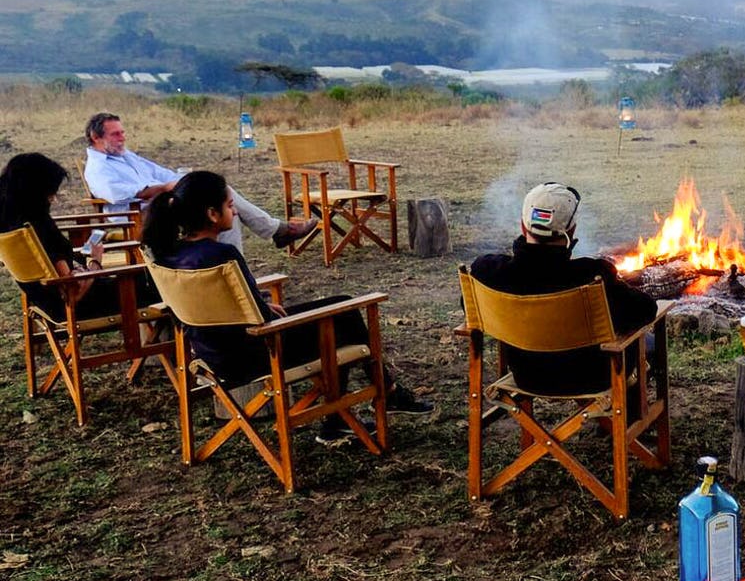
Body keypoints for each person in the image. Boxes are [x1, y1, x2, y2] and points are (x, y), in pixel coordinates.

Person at [141, 170, 431, 443]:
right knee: (341, 314)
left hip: (213, 354)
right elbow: (255, 314)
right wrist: (265, 310)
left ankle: (346, 416)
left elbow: (232, 304)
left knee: (338, 309)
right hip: (259, 353)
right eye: (231, 206)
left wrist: (264, 307)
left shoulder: (166, 255)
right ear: (212, 214)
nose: (236, 211)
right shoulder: (222, 254)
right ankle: (371, 401)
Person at [468, 182, 656, 393]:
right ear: (572, 230)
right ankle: (620, 422)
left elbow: (470, 308)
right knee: (647, 342)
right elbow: (645, 310)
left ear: (523, 226)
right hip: (593, 377)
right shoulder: (591, 276)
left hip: (527, 375)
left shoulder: (487, 272)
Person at [83, 111, 316, 255]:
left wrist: (187, 180)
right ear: (97, 138)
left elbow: (161, 173)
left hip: (166, 203)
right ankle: (273, 235)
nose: (122, 137)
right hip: (142, 216)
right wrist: (165, 188)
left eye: (122, 132)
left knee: (223, 202)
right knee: (221, 201)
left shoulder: (126, 156)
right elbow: (125, 194)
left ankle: (247, 265)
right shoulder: (98, 168)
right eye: (115, 134)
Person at [0, 152, 158, 319]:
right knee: (157, 282)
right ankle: (164, 341)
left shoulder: (12, 227)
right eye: (51, 193)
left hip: (45, 303)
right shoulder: (42, 229)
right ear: (37, 192)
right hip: (78, 307)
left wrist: (80, 269)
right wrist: (95, 262)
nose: (54, 200)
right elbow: (72, 294)